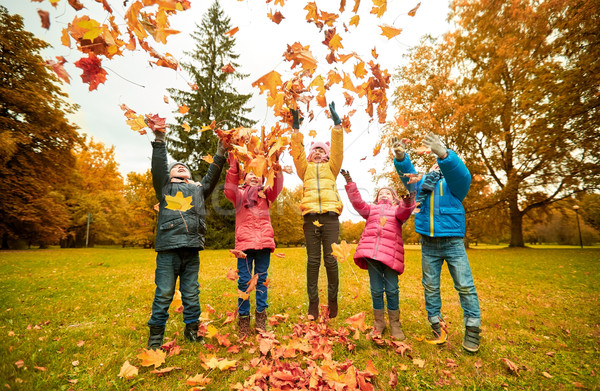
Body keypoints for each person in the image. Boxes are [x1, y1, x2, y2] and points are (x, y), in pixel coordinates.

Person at [393, 132, 482, 352]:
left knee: (465, 286)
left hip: (452, 243)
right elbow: (408, 176)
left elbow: (461, 174)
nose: (436, 165)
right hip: (429, 244)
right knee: (431, 287)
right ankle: (436, 325)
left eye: (440, 162)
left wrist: (444, 154)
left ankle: (472, 329)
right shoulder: (422, 185)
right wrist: (402, 158)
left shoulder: (455, 185)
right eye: (435, 162)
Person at [147, 128, 227, 350]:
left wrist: (221, 151)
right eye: (176, 167)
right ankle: (155, 338)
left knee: (192, 293)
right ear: (170, 175)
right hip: (168, 249)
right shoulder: (165, 187)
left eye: (185, 167)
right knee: (164, 293)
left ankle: (192, 331)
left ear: (191, 176)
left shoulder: (198, 190)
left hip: (191, 249)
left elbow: (212, 175)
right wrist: (160, 140)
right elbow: (159, 167)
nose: (180, 166)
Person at [341, 169, 415, 339]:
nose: (385, 194)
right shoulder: (371, 210)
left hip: (391, 256)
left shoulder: (397, 210)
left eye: (388, 193)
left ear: (394, 197)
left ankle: (395, 323)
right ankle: (379, 322)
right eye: (381, 193)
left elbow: (405, 211)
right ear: (376, 198)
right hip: (372, 255)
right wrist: (350, 182)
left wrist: (407, 201)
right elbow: (358, 202)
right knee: (376, 290)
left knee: (392, 290)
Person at [290, 102, 344, 320]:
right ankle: (313, 304)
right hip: (311, 217)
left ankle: (332, 302)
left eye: (323, 151)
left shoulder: (333, 168)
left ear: (327, 155)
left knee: (331, 260)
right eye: (315, 151)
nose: (319, 153)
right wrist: (296, 129)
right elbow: (297, 154)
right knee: (313, 261)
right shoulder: (305, 169)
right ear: (310, 155)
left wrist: (337, 125)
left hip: (330, 217)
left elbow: (338, 150)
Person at [223, 153, 283, 335]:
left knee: (262, 281)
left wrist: (275, 164)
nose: (254, 175)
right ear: (244, 177)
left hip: (264, 243)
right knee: (244, 281)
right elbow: (229, 188)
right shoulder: (239, 195)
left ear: (263, 177)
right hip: (245, 246)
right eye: (250, 172)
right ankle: (243, 319)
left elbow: (277, 185)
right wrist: (234, 163)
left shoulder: (266, 194)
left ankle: (261, 317)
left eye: (257, 172)